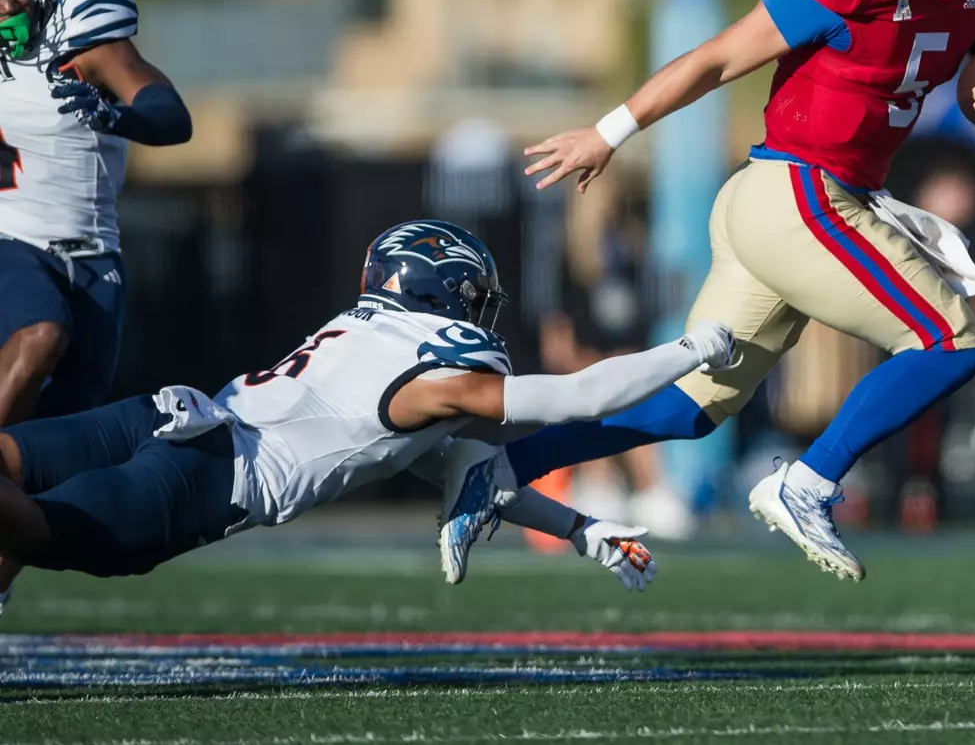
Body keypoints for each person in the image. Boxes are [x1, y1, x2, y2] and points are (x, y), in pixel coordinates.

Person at [445, 0, 975, 581]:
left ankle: (497, 473)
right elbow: (718, 58)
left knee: (685, 408)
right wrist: (609, 131)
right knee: (949, 341)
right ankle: (808, 483)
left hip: (816, 203)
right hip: (794, 192)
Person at [0, 220, 735, 594]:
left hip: (163, 415)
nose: (483, 315)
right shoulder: (439, 371)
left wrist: (577, 528)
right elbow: (578, 395)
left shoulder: (360, 331)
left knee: (12, 459)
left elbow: (457, 470)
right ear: (438, 290)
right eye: (474, 298)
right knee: (41, 531)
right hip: (207, 476)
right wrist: (694, 349)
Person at [0, 0, 193, 425]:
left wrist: (116, 117)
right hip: (10, 241)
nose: (7, 3)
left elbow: (170, 115)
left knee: (63, 424)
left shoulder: (78, 31)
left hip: (93, 255)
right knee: (41, 334)